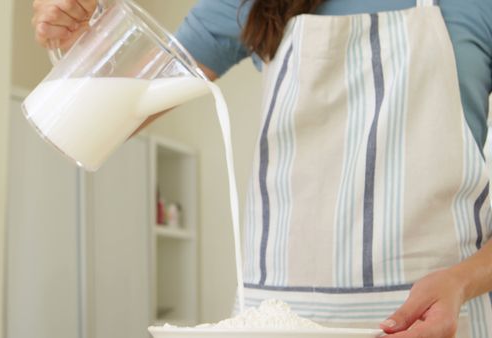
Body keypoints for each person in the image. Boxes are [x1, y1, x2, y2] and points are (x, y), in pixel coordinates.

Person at [32, 0, 492, 337]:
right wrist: (82, 48)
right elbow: (122, 109)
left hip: (438, 322)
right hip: (277, 323)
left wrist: (462, 280)